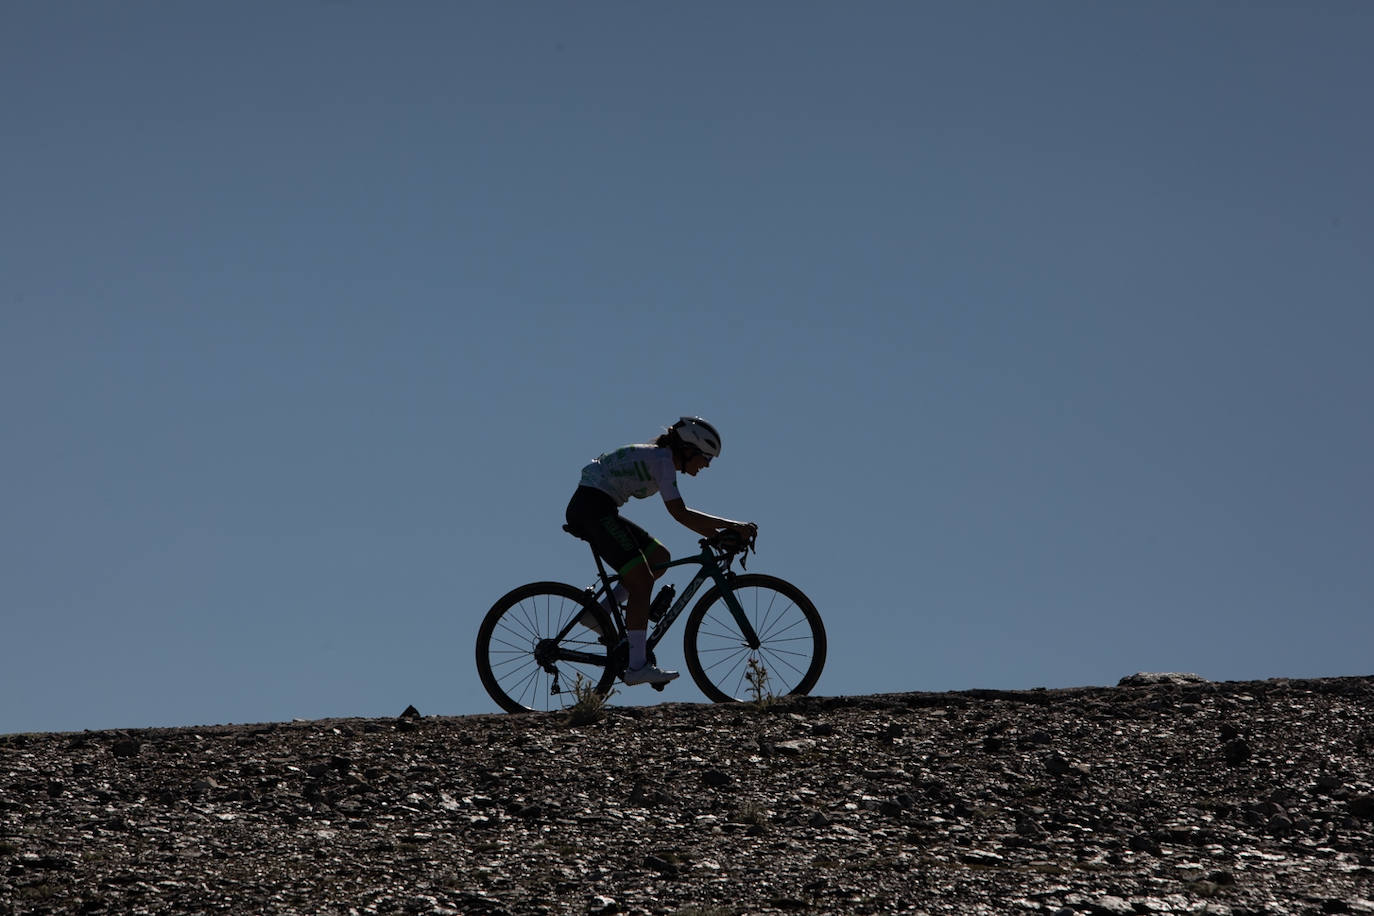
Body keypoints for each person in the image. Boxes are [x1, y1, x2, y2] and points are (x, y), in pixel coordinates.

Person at [564, 417, 758, 686]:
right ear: (688, 449)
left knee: (659, 558)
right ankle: (636, 667)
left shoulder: (661, 458)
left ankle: (600, 612)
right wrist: (731, 528)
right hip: (593, 510)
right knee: (641, 581)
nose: (707, 465)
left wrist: (719, 534)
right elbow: (680, 514)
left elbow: (682, 515)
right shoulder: (663, 461)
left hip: (596, 507)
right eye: (705, 457)